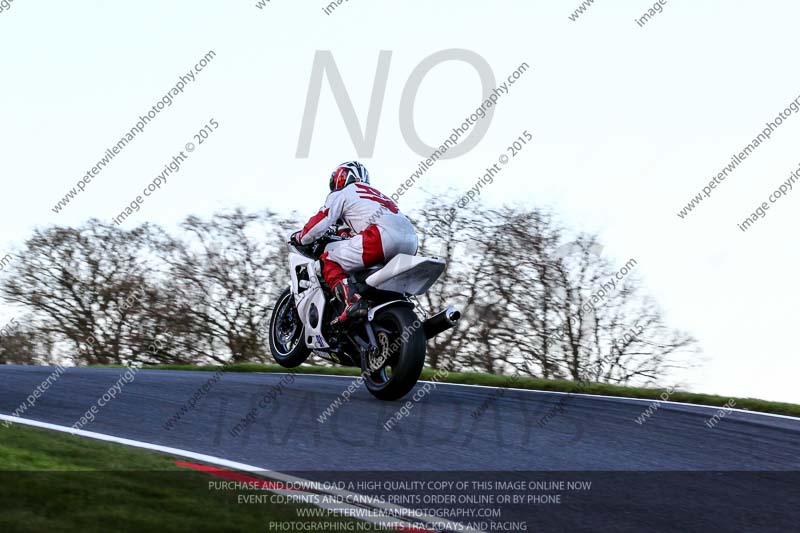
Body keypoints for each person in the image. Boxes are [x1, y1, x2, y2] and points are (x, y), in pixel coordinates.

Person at [291, 161, 418, 324]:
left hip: (381, 237)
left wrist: (301, 237)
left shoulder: (343, 193)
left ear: (342, 177)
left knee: (328, 259)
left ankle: (352, 301)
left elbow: (321, 220)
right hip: (411, 241)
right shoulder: (377, 195)